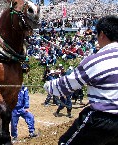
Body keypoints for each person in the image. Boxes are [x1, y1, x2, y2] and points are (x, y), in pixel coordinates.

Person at [44, 15, 118, 145]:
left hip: (102, 120)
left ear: (102, 34)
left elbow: (65, 86)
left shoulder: (95, 60)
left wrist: (48, 85)